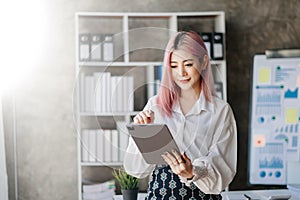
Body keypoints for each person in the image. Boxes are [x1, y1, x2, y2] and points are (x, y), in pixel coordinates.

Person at [123, 31, 237, 199]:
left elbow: (223, 168)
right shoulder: (155, 105)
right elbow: (136, 170)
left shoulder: (220, 110)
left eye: (188, 64)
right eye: (174, 66)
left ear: (204, 61)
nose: (181, 73)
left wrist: (192, 172)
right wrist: (141, 133)